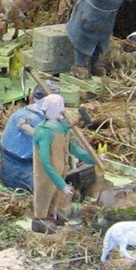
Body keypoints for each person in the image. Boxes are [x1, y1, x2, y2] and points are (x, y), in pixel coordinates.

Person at [33, 93, 97, 230]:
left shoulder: (63, 127)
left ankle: (52, 214)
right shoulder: (43, 131)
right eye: (59, 106)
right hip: (47, 173)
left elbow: (73, 148)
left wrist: (93, 159)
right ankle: (40, 219)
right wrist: (62, 185)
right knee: (45, 193)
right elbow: (45, 163)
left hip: (61, 168)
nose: (62, 109)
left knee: (56, 195)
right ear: (49, 109)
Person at [0, 87, 56, 190]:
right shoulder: (31, 116)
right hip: (18, 167)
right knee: (46, 189)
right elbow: (24, 126)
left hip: (29, 163)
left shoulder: (44, 115)